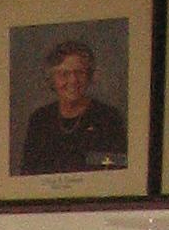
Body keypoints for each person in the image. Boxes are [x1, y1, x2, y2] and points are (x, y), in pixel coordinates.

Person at [18, 37, 127, 174]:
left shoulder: (108, 117)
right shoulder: (40, 119)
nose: (73, 80)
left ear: (89, 76)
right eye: (64, 74)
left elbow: (119, 168)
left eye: (80, 72)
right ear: (52, 79)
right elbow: (28, 173)